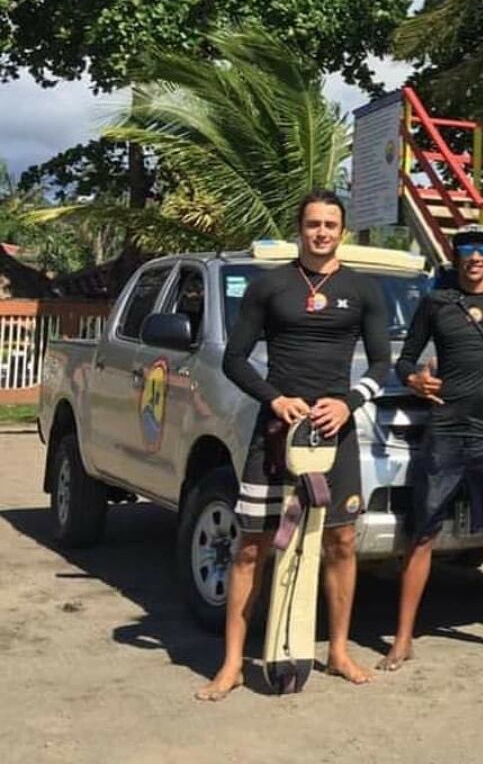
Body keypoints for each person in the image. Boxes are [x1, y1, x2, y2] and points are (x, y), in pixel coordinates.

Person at [195, 189, 391, 701]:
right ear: (298, 230)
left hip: (335, 435)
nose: (321, 232)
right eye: (312, 224)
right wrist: (275, 398)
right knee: (253, 546)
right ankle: (233, 663)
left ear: (341, 231)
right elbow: (235, 359)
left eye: (330, 224)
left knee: (341, 542)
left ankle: (339, 650)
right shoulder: (269, 286)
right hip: (276, 433)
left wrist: (348, 402)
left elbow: (381, 365)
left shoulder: (364, 290)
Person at [379, 223, 483, 671]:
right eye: (467, 249)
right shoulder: (436, 302)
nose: (475, 256)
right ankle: (404, 637)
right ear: (456, 256)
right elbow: (405, 358)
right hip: (446, 432)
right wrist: (414, 378)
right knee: (422, 534)